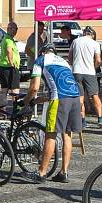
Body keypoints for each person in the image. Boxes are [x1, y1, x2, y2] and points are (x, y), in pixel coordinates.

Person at [23, 44, 82, 183]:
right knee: (67, 135)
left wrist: (26, 101)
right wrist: (37, 101)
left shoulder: (40, 60)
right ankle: (64, 172)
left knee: (50, 135)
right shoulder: (63, 62)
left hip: (59, 99)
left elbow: (34, 88)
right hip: (75, 98)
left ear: (42, 52)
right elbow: (55, 89)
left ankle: (41, 173)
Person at [69, 26, 102, 129]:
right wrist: (94, 67)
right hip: (89, 72)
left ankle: (83, 121)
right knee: (94, 95)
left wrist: (74, 65)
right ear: (92, 35)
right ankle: (100, 119)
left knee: (80, 97)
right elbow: (98, 60)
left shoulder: (75, 41)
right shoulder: (95, 43)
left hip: (76, 71)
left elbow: (70, 58)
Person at [0, 21, 21, 96]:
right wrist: (12, 63)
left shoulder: (6, 38)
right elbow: (9, 50)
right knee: (15, 90)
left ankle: (1, 106)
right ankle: (16, 106)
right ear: (9, 29)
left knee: (4, 89)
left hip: (3, 66)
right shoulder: (9, 39)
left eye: (16, 29)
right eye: (15, 29)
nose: (16, 31)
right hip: (9, 67)